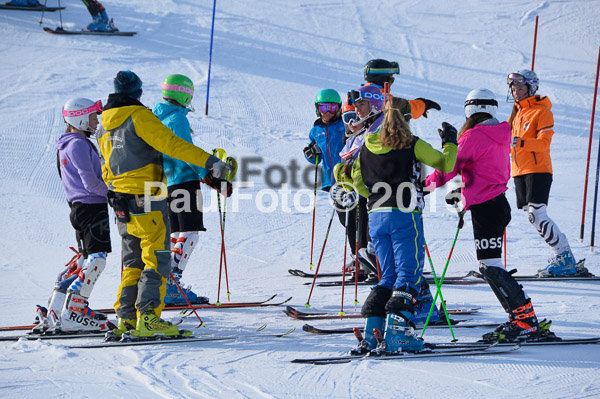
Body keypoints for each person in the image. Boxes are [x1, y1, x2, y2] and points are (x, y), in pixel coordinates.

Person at [97, 71, 233, 339]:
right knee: (156, 259)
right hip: (146, 198)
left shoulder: (104, 123)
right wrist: (209, 163)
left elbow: (105, 163)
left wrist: (114, 192)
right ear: (137, 93)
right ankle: (149, 317)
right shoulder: (139, 117)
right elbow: (172, 145)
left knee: (132, 260)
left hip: (120, 201)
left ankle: (126, 317)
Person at [426, 88, 553, 342]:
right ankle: (521, 318)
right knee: (489, 266)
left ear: (469, 110)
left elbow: (448, 168)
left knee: (490, 267)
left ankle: (524, 321)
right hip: (495, 204)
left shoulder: (473, 136)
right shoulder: (503, 132)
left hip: (487, 207)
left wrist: (423, 186)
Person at [345, 94, 458, 354]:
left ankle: (374, 333)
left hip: (376, 215)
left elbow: (359, 185)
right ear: (406, 120)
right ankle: (399, 334)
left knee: (388, 277)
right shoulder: (411, 144)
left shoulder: (366, 145)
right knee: (409, 273)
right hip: (405, 213)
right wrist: (450, 142)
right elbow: (446, 164)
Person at [33, 97, 113, 334]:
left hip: (80, 208)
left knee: (84, 259)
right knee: (96, 259)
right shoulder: (78, 144)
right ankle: (75, 310)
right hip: (91, 207)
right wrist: (113, 193)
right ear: (79, 117)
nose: (96, 120)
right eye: (93, 116)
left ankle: (56, 308)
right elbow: (90, 182)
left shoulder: (68, 144)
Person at [506, 69, 584, 277]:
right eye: (513, 88)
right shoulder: (516, 113)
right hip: (519, 171)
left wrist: (518, 142)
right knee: (532, 215)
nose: (516, 92)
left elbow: (544, 144)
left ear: (531, 88)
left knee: (536, 214)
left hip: (538, 169)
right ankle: (563, 256)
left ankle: (564, 256)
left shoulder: (542, 111)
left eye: (520, 88)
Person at [152, 73, 210, 306]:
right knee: (190, 233)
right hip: (184, 180)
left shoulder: (158, 117)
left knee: (176, 234)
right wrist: (208, 173)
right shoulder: (177, 119)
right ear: (185, 94)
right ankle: (170, 286)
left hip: (166, 183)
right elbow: (185, 151)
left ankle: (166, 284)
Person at [362, 58, 442, 120]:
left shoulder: (357, 94)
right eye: (391, 79)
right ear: (384, 79)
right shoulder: (381, 97)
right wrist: (424, 104)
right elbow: (406, 108)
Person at [303, 89, 346, 193]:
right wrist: (310, 154)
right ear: (317, 108)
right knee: (338, 207)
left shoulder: (344, 125)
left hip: (346, 176)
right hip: (329, 179)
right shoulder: (315, 131)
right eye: (323, 108)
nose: (327, 112)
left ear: (339, 108)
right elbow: (317, 158)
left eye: (332, 108)